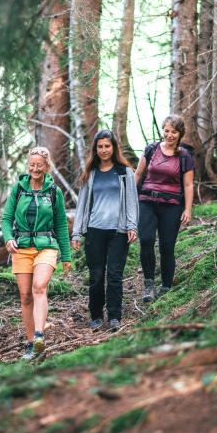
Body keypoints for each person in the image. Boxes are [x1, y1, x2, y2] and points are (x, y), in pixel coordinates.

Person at [1, 147, 72, 360]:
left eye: (39, 165)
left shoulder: (54, 192)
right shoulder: (19, 189)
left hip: (46, 246)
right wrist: (8, 238)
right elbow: (6, 219)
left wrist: (66, 256)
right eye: (32, 165)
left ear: (46, 166)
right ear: (28, 166)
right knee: (25, 297)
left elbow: (60, 224)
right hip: (21, 247)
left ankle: (40, 335)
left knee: (39, 287)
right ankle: (31, 343)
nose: (35, 169)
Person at [72, 130, 138, 331]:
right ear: (95, 149)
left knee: (115, 275)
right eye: (100, 147)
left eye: (107, 146)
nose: (103, 150)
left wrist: (131, 225)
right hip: (94, 231)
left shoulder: (125, 173)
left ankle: (115, 315)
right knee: (97, 275)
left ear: (114, 147)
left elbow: (132, 202)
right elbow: (82, 204)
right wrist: (76, 232)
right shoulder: (90, 174)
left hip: (118, 232)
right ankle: (96, 315)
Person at [135, 114, 195, 302]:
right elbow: (138, 175)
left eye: (174, 132)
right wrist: (129, 200)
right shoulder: (151, 149)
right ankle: (149, 285)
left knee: (167, 246)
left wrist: (188, 209)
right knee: (145, 240)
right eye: (166, 131)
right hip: (147, 201)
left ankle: (166, 286)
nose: (169, 135)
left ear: (180, 134)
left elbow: (188, 185)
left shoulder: (184, 156)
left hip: (172, 206)